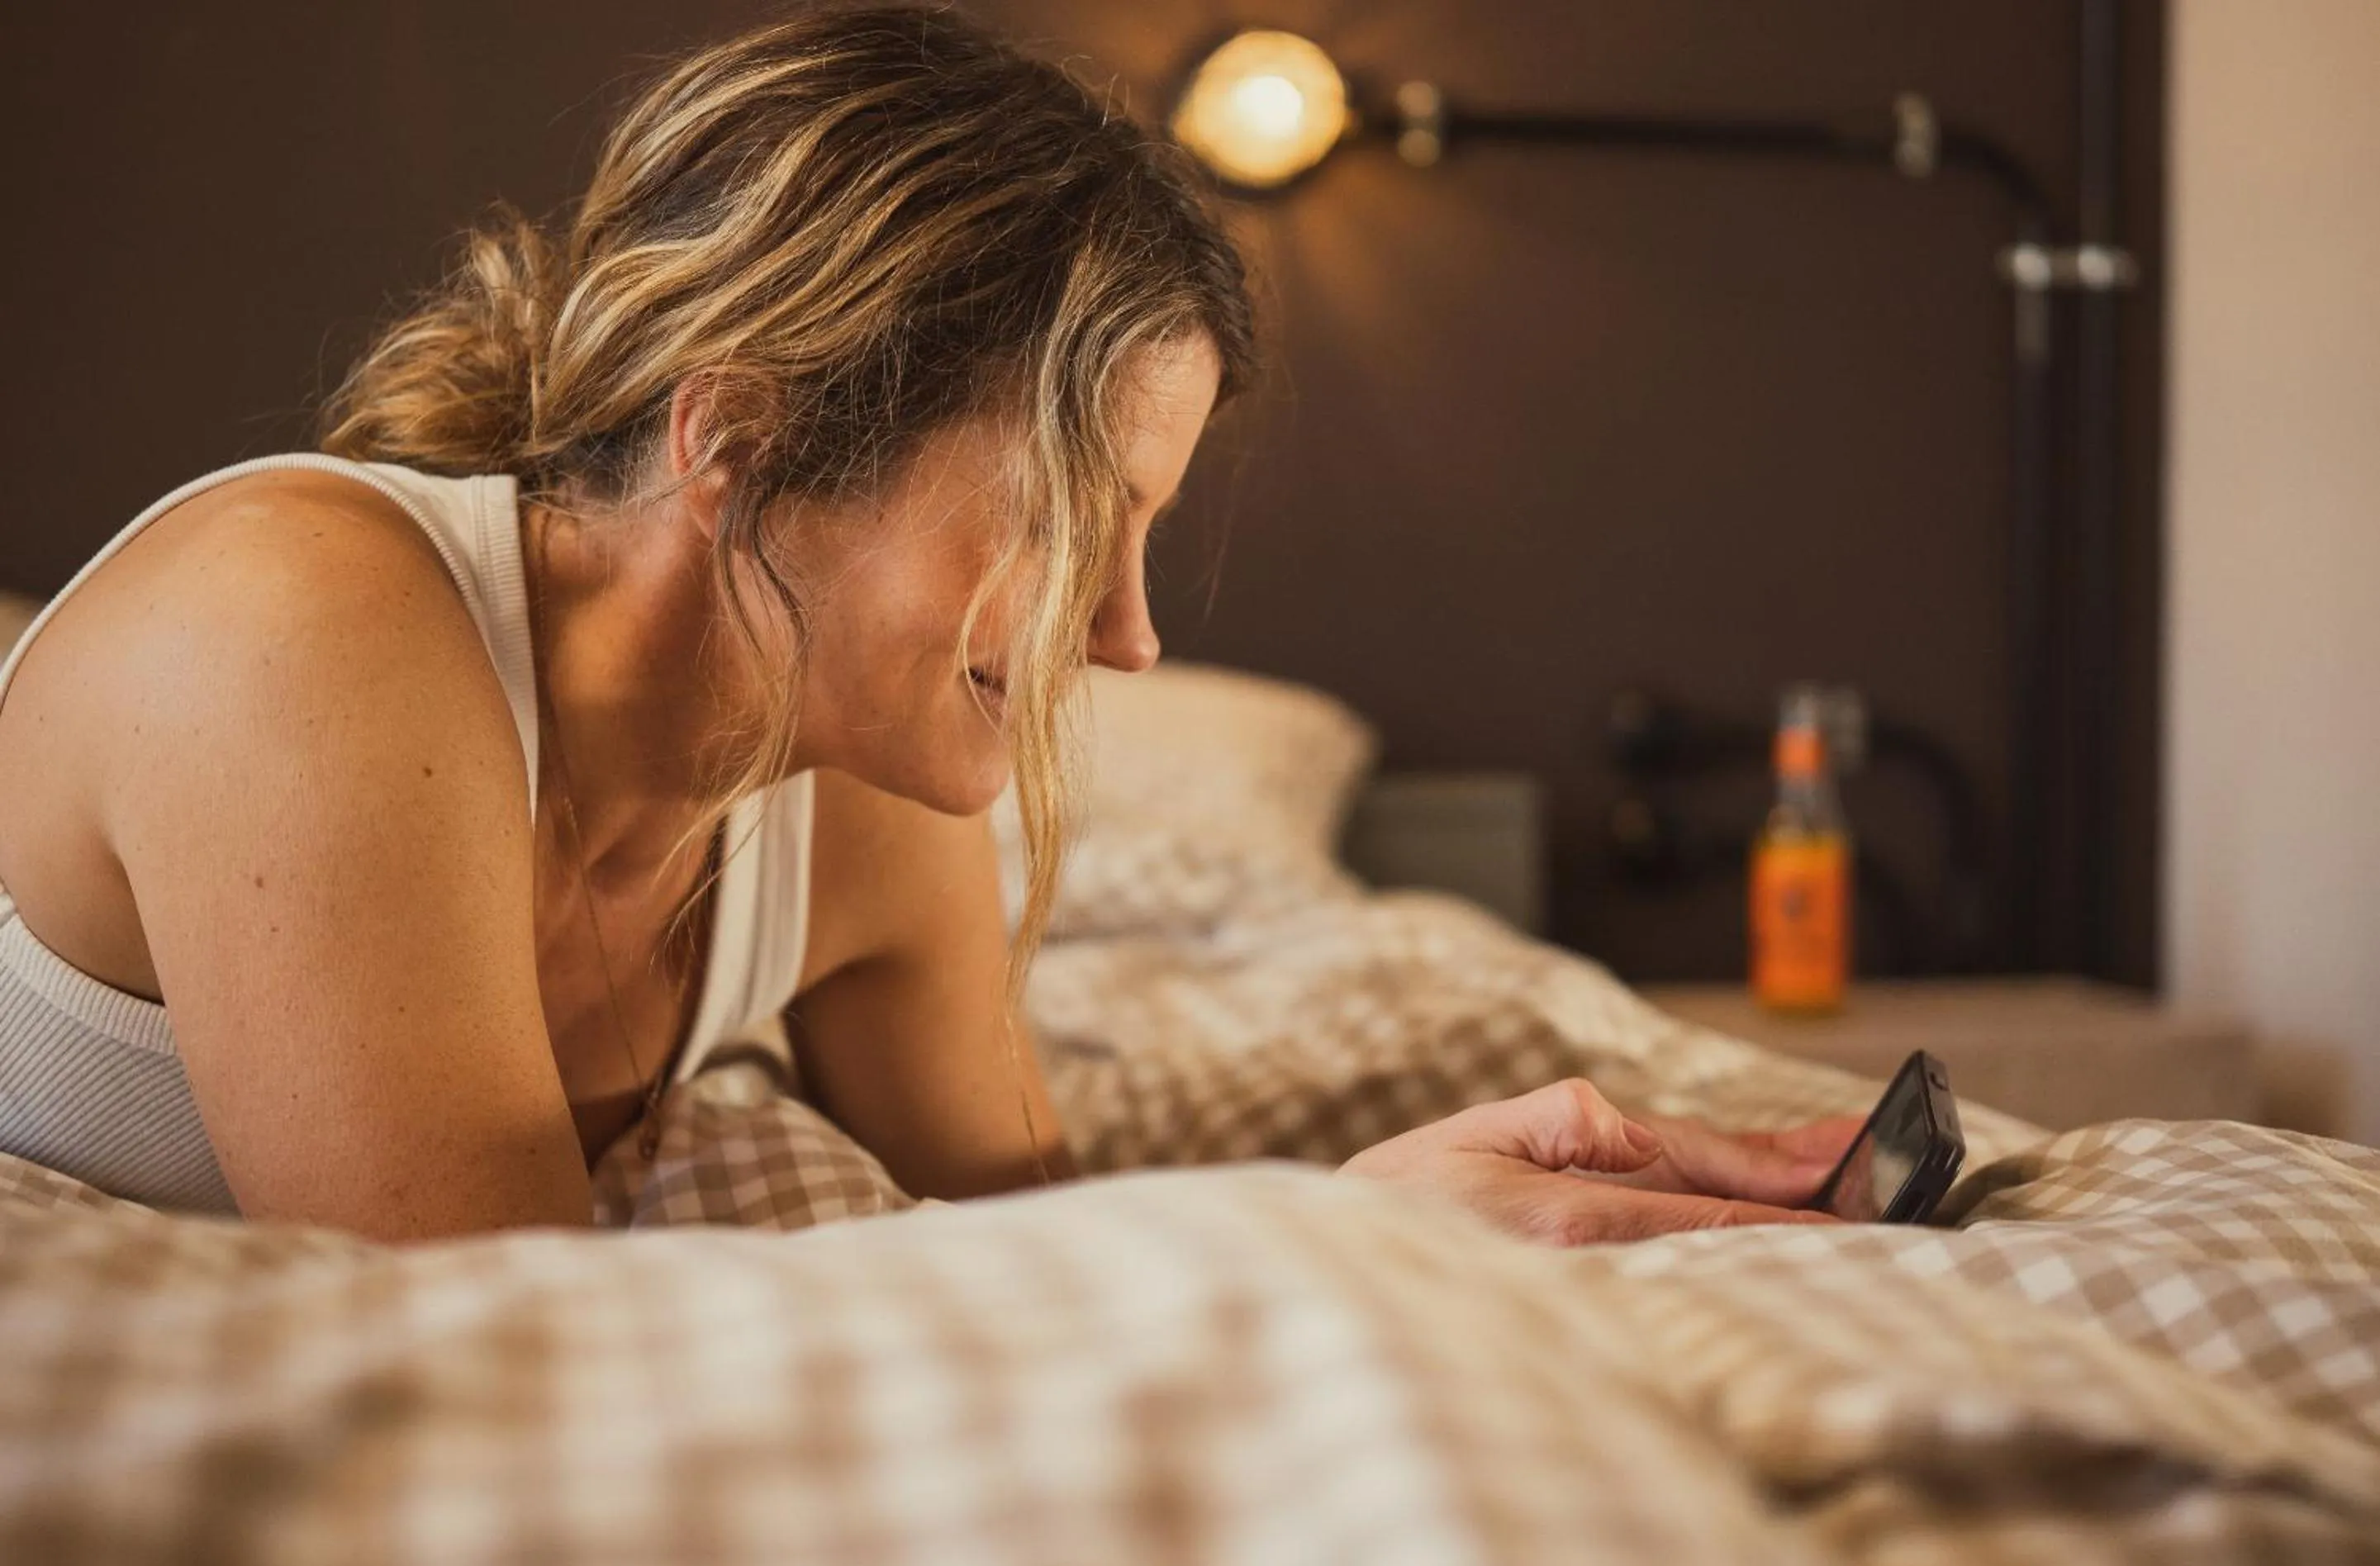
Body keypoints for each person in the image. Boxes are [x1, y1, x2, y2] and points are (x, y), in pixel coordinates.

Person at [0, 5, 1856, 1244]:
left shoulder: (864, 793)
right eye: (1067, 524)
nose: (1128, 644)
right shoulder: (298, 627)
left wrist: (1384, 1223)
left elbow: (1026, 1248)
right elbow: (509, 1341)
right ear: (748, 434)